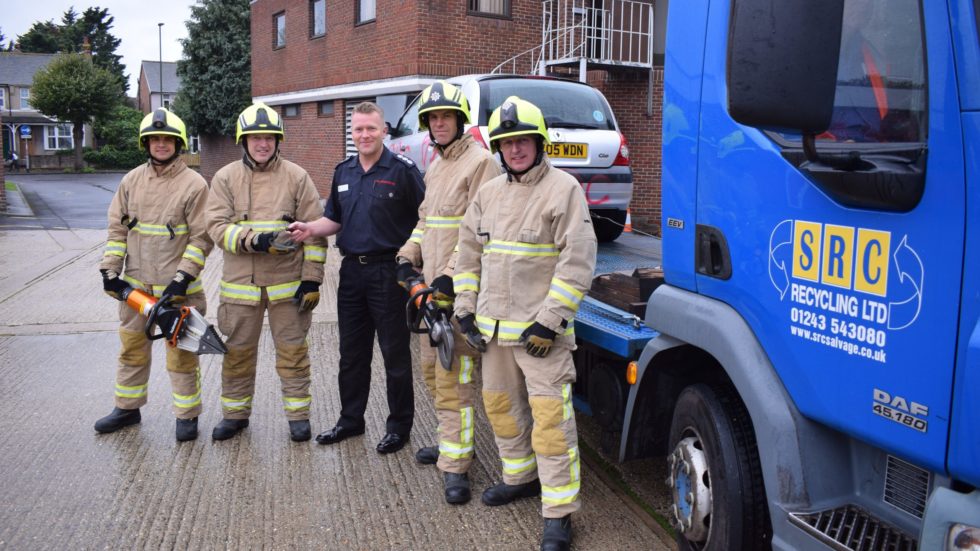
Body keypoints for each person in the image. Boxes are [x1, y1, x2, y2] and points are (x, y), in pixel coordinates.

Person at [453, 96, 597, 551]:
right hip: (494, 334)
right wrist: (463, 308)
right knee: (500, 408)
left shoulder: (564, 189)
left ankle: (558, 512)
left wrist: (550, 322)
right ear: (499, 148)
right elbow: (468, 255)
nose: (515, 150)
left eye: (523, 142)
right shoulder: (489, 193)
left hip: (541, 339)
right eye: (507, 143)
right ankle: (520, 478)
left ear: (539, 143)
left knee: (551, 423)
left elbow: (577, 262)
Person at [288, 102, 424, 454]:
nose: (365, 135)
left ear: (384, 131)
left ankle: (398, 427)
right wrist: (309, 228)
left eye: (371, 129)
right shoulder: (343, 171)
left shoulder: (403, 171)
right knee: (351, 354)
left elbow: (425, 221)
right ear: (353, 134)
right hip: (350, 273)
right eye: (359, 129)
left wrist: (416, 267)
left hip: (388, 273)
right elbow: (334, 219)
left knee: (394, 354)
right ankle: (350, 420)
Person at [393, 81, 502, 503]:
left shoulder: (481, 164)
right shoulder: (436, 165)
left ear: (460, 121)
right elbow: (426, 221)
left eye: (446, 117)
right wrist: (408, 255)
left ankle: (456, 467)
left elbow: (479, 233)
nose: (439, 123)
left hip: (458, 293)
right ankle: (449, 442)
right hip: (429, 294)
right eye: (433, 118)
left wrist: (449, 278)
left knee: (455, 380)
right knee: (432, 375)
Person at [206, 102, 327, 442]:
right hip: (241, 287)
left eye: (269, 138)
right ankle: (235, 415)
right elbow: (216, 227)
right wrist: (256, 241)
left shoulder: (297, 177)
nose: (262, 144)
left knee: (293, 354)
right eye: (255, 138)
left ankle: (298, 416)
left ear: (278, 140)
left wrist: (311, 279)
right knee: (237, 354)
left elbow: (315, 234)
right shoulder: (226, 178)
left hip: (287, 287)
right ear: (243, 141)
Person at [95, 108, 212, 442]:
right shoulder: (131, 181)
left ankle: (187, 416)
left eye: (168, 139)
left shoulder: (194, 184)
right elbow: (117, 231)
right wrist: (109, 269)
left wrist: (183, 277)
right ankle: (127, 409)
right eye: (155, 139)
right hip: (135, 293)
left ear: (178, 144)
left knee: (181, 356)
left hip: (179, 294)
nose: (161, 145)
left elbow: (202, 237)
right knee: (131, 350)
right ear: (146, 143)